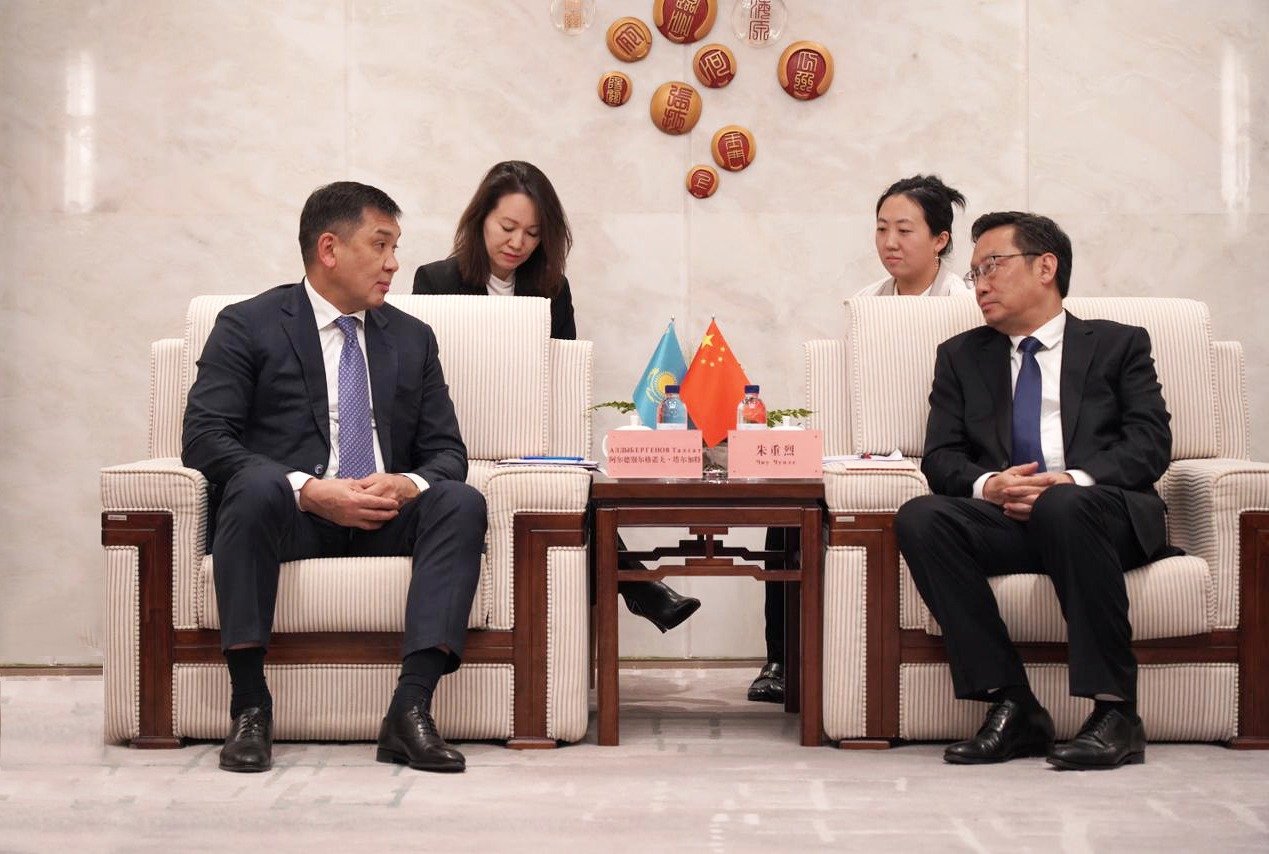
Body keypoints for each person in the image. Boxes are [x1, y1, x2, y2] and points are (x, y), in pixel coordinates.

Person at [183, 181, 486, 775]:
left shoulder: (411, 338)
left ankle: (411, 710)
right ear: (330, 248)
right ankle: (250, 706)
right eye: (380, 244)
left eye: (395, 247)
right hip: (293, 518)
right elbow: (204, 437)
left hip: (383, 514)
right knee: (254, 485)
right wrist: (306, 489)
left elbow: (448, 451)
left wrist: (406, 484)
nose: (393, 263)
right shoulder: (248, 324)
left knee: (460, 501)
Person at [894, 211, 1173, 771]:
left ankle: (1117, 712)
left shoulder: (1117, 345)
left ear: (1046, 267)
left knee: (1064, 504)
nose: (981, 284)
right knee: (920, 517)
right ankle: (1013, 703)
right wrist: (990, 485)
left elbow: (1150, 444)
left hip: (1100, 516)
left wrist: (1073, 480)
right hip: (1012, 520)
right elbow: (940, 458)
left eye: (993, 266)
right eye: (975, 273)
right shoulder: (961, 356)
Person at [414, 160, 699, 633]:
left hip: (534, 435)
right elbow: (427, 378)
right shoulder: (435, 281)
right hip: (463, 432)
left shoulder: (551, 288)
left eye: (532, 233)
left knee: (579, 483)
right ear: (480, 220)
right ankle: (640, 586)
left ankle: (636, 587)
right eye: (507, 227)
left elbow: (564, 372)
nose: (518, 243)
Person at [750, 175, 970, 704]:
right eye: (881, 229)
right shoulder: (866, 302)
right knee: (789, 510)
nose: (889, 243)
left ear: (940, 239)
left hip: (940, 455)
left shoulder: (964, 304)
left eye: (904, 230)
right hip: (870, 453)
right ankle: (782, 660)